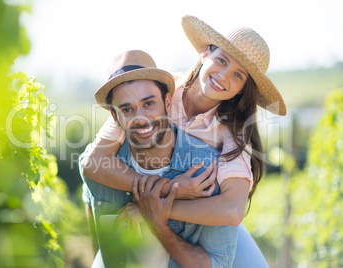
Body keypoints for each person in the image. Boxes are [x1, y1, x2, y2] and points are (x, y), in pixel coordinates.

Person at [82, 15, 286, 267]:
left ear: (243, 88)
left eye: (238, 76)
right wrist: (166, 188)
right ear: (204, 53)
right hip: (131, 206)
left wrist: (158, 208)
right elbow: (93, 163)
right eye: (221, 60)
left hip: (203, 224)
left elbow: (232, 211)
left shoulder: (233, 133)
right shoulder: (154, 92)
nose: (223, 76)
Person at [80, 48, 240, 268]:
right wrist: (170, 188)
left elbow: (219, 264)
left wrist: (156, 221)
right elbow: (92, 208)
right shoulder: (99, 167)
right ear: (114, 117)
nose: (141, 119)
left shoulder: (206, 173)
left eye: (149, 104)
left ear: (167, 102)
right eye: (127, 109)